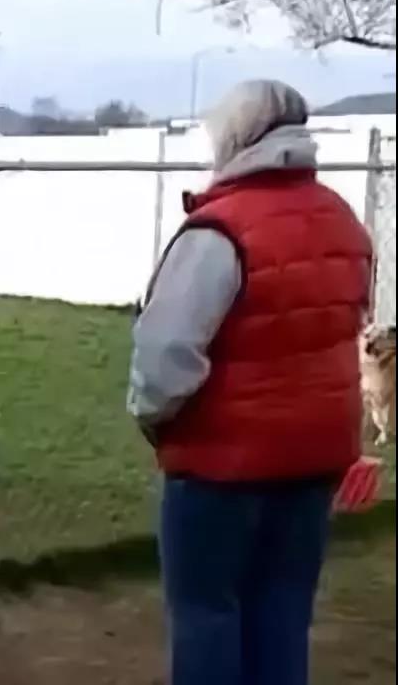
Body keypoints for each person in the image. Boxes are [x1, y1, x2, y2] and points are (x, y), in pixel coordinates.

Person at [127, 79, 378, 685]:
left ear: (236, 135)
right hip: (314, 457)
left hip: (222, 466)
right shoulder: (341, 219)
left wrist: (154, 419)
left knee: (207, 614)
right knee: (283, 614)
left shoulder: (219, 230)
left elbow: (165, 355)